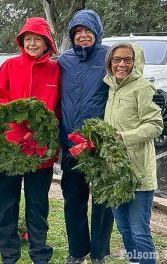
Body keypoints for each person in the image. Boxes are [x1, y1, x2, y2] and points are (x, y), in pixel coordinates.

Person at [0, 17, 61, 264]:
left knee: (38, 206)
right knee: (7, 205)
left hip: (40, 151)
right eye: (28, 39)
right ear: (22, 41)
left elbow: (59, 108)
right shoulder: (9, 66)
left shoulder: (56, 69)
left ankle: (39, 254)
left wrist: (49, 138)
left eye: (38, 39)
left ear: (46, 43)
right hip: (9, 148)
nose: (32, 43)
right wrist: (15, 118)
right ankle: (9, 256)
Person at [58, 9, 114, 264]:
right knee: (73, 199)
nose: (82, 36)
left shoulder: (109, 57)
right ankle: (77, 250)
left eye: (87, 31)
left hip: (99, 145)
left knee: (102, 200)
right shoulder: (65, 60)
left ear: (97, 33)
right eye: (77, 32)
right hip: (71, 143)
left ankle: (99, 252)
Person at [104, 42, 163, 264]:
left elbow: (156, 125)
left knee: (139, 230)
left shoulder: (143, 87)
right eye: (116, 59)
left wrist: (124, 137)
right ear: (110, 61)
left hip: (138, 172)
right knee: (124, 228)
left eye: (127, 60)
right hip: (114, 173)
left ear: (135, 62)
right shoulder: (111, 86)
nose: (121, 64)